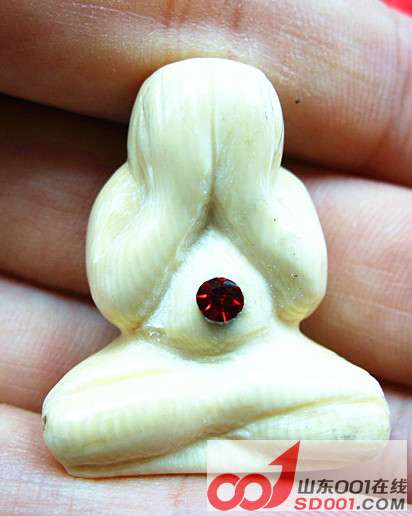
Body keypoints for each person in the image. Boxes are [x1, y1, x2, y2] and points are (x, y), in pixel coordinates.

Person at [0, 0, 410, 512]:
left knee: (366, 416)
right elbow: (122, 303)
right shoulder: (129, 195)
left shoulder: (280, 192)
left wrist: (250, 207)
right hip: (160, 362)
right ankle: (242, 427)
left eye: (232, 137)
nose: (212, 154)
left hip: (269, 356)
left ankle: (191, 434)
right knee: (69, 425)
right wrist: (174, 206)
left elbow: (301, 297)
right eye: (193, 135)